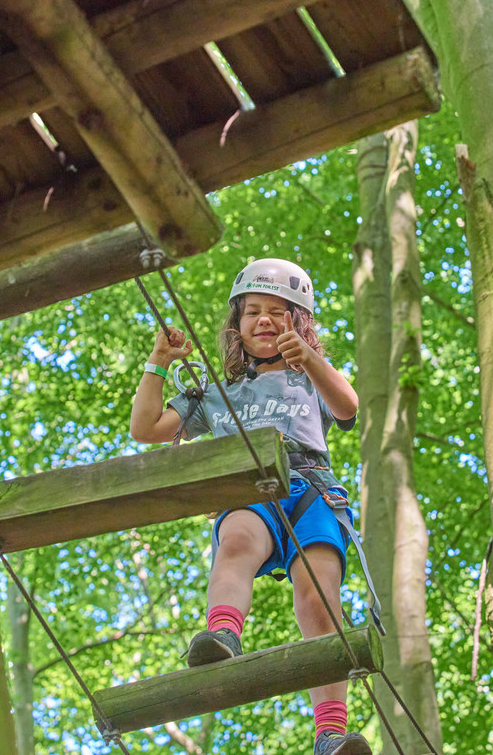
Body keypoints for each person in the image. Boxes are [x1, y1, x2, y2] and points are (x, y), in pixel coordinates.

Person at [130, 258, 371, 755]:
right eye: (253, 311)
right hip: (249, 489)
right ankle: (223, 633)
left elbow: (347, 406)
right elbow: (146, 428)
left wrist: (310, 359)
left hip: (312, 489)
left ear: (298, 322)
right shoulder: (216, 395)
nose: (264, 319)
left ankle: (329, 731)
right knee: (237, 540)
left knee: (319, 597)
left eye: (279, 312)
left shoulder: (312, 379)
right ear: (236, 326)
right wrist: (159, 363)